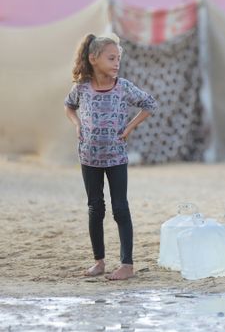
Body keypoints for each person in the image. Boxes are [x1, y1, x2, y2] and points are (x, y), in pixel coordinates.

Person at [64, 34, 158, 279]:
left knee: (120, 208)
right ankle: (99, 261)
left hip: (116, 158)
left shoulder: (123, 87)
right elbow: (68, 106)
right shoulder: (82, 87)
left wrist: (129, 128)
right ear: (93, 59)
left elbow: (149, 104)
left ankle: (127, 265)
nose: (117, 63)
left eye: (118, 58)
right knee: (95, 208)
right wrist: (77, 125)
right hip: (88, 158)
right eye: (111, 58)